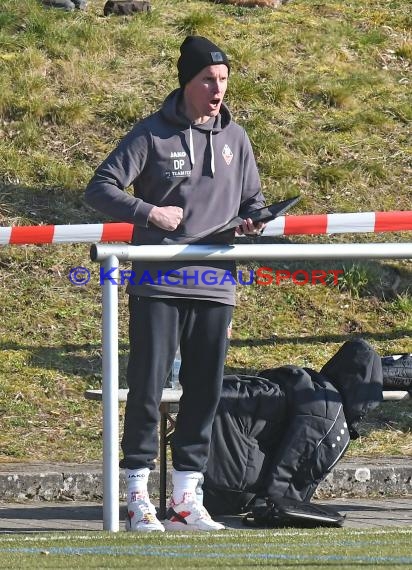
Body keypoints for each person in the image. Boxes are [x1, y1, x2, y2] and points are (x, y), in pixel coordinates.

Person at [85, 35, 265, 532]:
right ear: (187, 82)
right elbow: (99, 188)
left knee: (204, 390)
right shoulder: (151, 134)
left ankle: (188, 498)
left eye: (224, 79)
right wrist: (149, 212)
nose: (218, 89)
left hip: (215, 282)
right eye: (208, 79)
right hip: (158, 284)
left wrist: (255, 221)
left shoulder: (237, 139)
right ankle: (137, 495)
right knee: (146, 389)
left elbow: (252, 201)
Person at [202, 338, 383, 526]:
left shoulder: (307, 383)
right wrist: (274, 506)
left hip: (217, 407)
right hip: (227, 470)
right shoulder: (329, 415)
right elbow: (295, 472)